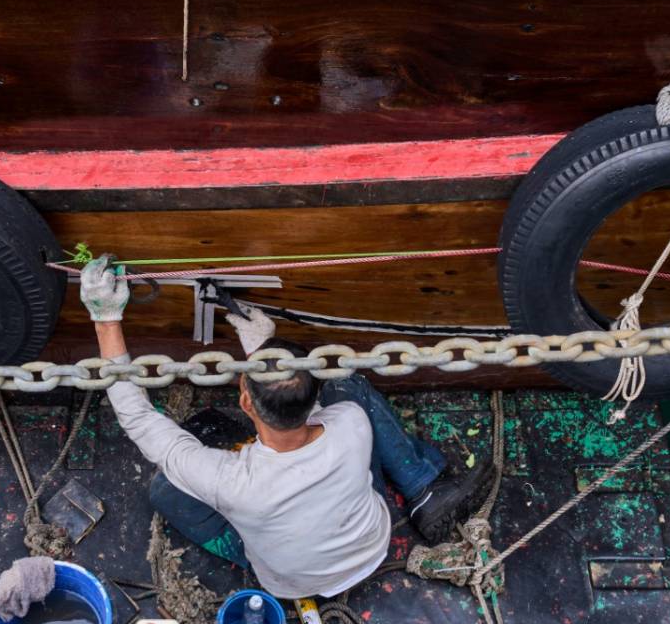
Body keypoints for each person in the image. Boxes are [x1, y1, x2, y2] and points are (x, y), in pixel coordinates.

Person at [79, 254, 494, 600]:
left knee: (165, 490)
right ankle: (423, 488)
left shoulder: (229, 481)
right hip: (371, 545)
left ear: (244, 400)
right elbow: (319, 404)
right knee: (350, 384)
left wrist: (106, 319)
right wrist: (263, 347)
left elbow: (136, 417)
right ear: (314, 389)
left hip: (286, 584)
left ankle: (246, 550)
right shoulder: (351, 423)